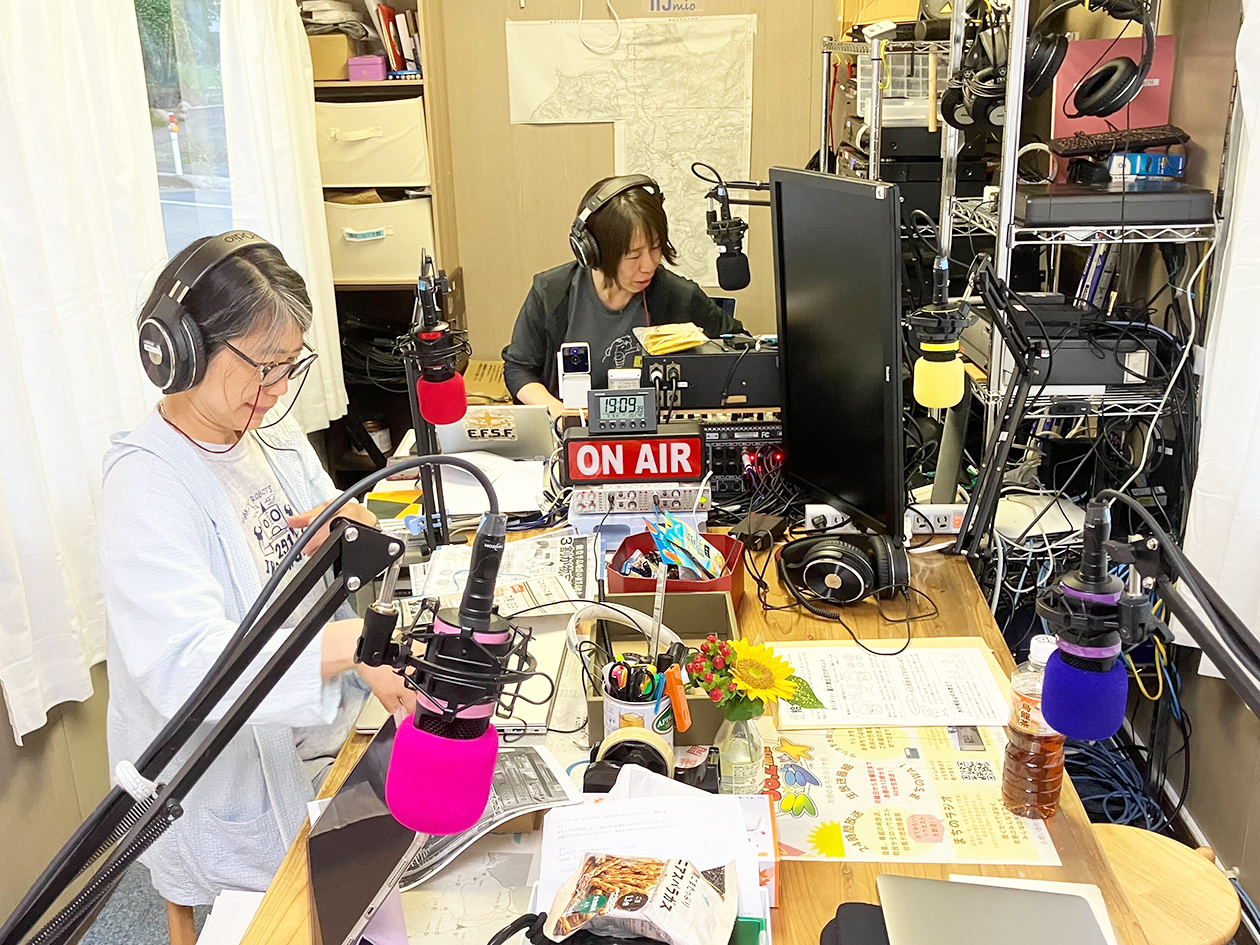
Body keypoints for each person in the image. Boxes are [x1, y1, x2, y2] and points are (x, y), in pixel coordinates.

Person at [98, 234, 416, 906]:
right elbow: (192, 668)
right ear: (182, 350)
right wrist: (354, 646)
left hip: (318, 733)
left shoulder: (265, 432)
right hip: (231, 791)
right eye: (263, 367)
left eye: (287, 367)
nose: (275, 391)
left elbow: (323, 549)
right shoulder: (146, 485)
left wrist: (348, 537)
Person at [502, 175, 745, 412]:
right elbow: (518, 369)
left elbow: (741, 346)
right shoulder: (551, 292)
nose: (649, 265)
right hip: (571, 432)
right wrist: (559, 412)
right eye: (633, 255)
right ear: (594, 252)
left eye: (656, 247)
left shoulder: (678, 295)